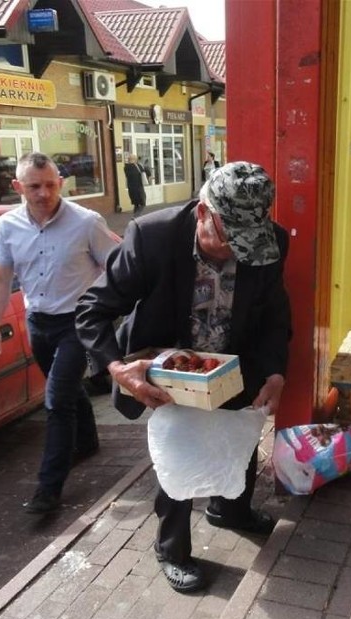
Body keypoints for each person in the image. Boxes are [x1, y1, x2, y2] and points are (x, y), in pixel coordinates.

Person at [75, 161, 291, 593]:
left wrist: (274, 371)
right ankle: (172, 549)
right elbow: (92, 311)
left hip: (233, 361)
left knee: (238, 437)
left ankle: (231, 510)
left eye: (249, 243)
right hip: (169, 371)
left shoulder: (272, 244)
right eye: (229, 240)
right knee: (178, 454)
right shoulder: (152, 236)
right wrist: (119, 369)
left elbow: (274, 313)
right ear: (202, 213)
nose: (237, 253)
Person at [0, 152, 119, 514]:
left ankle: (48, 488)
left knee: (56, 400)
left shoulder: (86, 222)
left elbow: (118, 266)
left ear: (61, 182)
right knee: (68, 388)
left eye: (50, 184)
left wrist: (107, 311)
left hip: (78, 322)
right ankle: (87, 442)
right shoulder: (7, 226)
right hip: (38, 323)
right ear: (17, 187)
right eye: (34, 186)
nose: (44, 193)